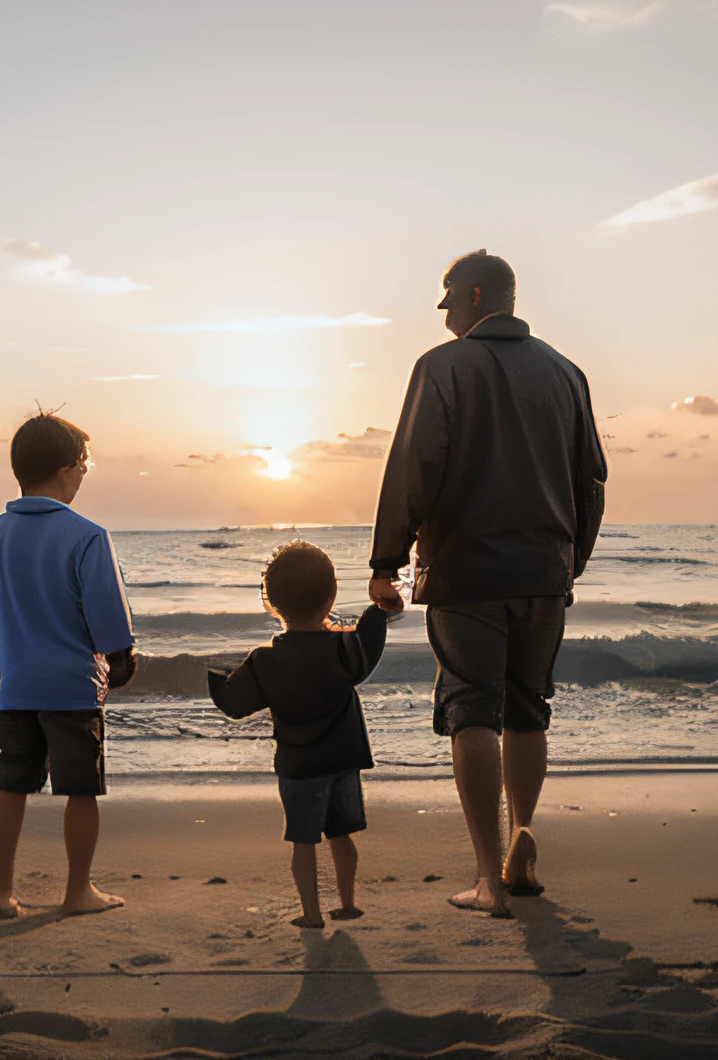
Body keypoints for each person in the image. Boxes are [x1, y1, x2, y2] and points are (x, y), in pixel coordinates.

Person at [368, 250, 608, 918]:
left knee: (472, 707)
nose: (444, 316)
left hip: (467, 570)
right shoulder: (567, 373)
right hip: (543, 572)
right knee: (529, 707)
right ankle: (521, 844)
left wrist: (385, 563)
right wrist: (572, 560)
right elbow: (592, 479)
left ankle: (486, 875)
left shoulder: (442, 368)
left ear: (476, 295)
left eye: (448, 301)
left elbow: (415, 466)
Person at [0, 411, 137, 918]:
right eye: (84, 464)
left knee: (11, 783)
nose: (85, 473)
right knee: (80, 790)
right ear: (66, 469)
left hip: (16, 687)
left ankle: (0, 894)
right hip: (73, 688)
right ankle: (78, 890)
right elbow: (106, 612)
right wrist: (122, 658)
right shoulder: (87, 535)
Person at [207, 541, 390, 929]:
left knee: (303, 841)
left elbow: (235, 704)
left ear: (271, 602)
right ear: (331, 595)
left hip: (298, 766)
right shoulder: (344, 648)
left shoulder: (265, 660)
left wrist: (215, 671)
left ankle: (310, 914)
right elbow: (370, 638)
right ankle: (347, 903)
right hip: (343, 760)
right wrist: (382, 606)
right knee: (341, 836)